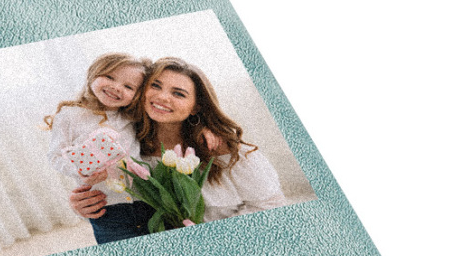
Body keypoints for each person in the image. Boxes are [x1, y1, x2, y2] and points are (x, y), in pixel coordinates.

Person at [122, 57, 287, 219]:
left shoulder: (224, 150)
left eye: (178, 94)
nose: (162, 97)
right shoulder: (130, 142)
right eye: (156, 86)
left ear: (196, 107)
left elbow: (272, 206)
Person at [43, 53, 154, 244]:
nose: (116, 87)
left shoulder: (132, 118)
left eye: (128, 87)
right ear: (93, 74)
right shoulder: (70, 115)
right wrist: (80, 171)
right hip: (106, 206)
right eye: (110, 77)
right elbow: (55, 156)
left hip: (146, 201)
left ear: (137, 95)